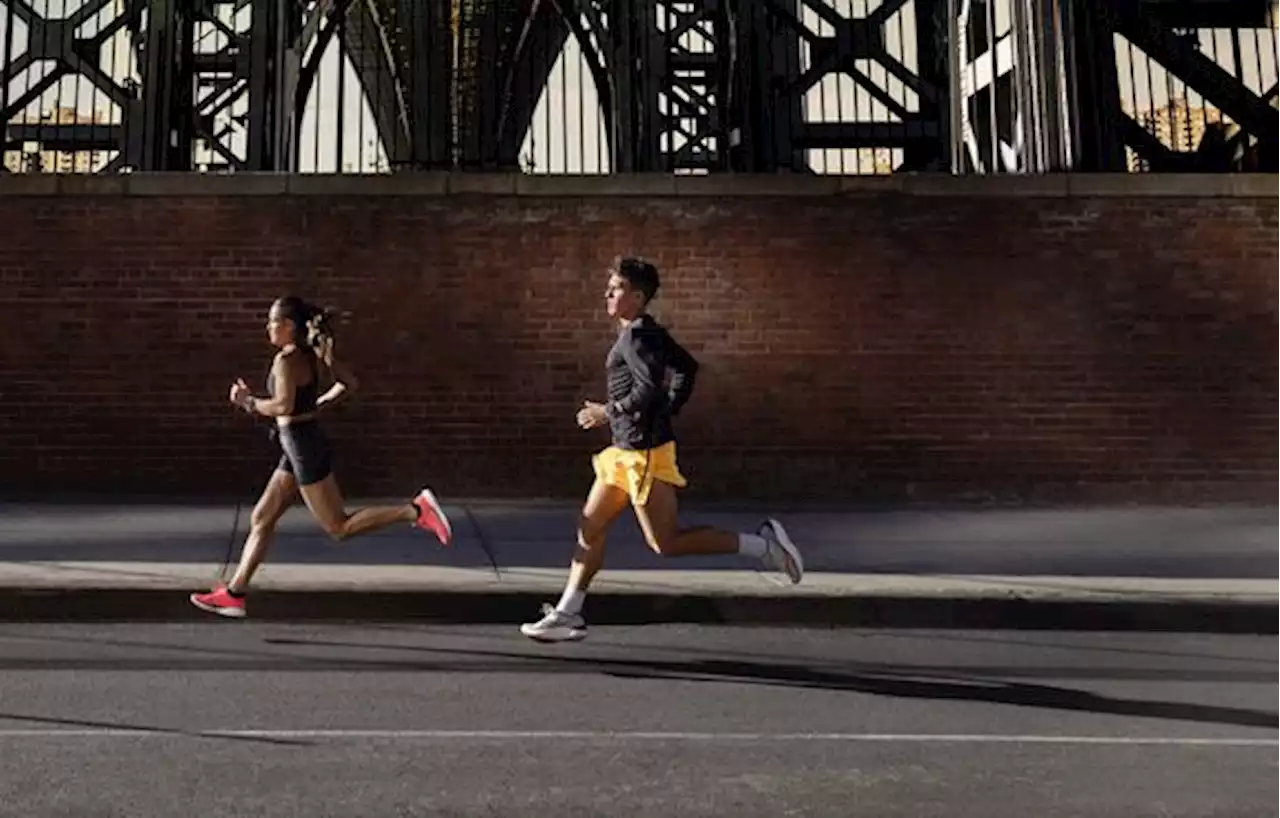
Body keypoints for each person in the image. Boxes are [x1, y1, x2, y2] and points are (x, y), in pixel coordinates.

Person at [520, 257, 803, 643]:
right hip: (623, 454)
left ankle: (764, 547)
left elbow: (648, 386)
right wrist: (669, 408)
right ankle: (569, 613)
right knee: (591, 526)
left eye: (616, 288)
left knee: (665, 543)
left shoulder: (638, 338)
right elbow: (686, 367)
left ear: (636, 297)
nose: (608, 293)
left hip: (643, 455)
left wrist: (610, 411)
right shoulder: (646, 332)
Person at [190, 296, 452, 619]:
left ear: (288, 326)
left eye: (273, 322)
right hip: (298, 444)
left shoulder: (285, 362)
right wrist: (315, 406)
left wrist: (248, 402)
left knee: (339, 527)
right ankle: (235, 594)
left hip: (303, 449)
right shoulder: (313, 355)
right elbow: (348, 384)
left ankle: (415, 510)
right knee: (262, 517)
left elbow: (283, 406)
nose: (267, 327)